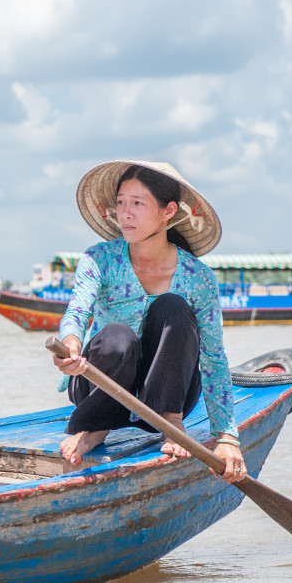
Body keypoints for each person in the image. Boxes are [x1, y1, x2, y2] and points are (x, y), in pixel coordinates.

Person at [51, 160, 246, 484]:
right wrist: (70, 343)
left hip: (172, 392)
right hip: (101, 382)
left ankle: (169, 421)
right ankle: (97, 426)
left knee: (173, 308)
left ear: (168, 211)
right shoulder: (99, 259)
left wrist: (227, 437)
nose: (125, 213)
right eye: (121, 202)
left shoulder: (197, 277)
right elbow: (78, 313)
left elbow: (213, 358)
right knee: (117, 337)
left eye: (137, 204)